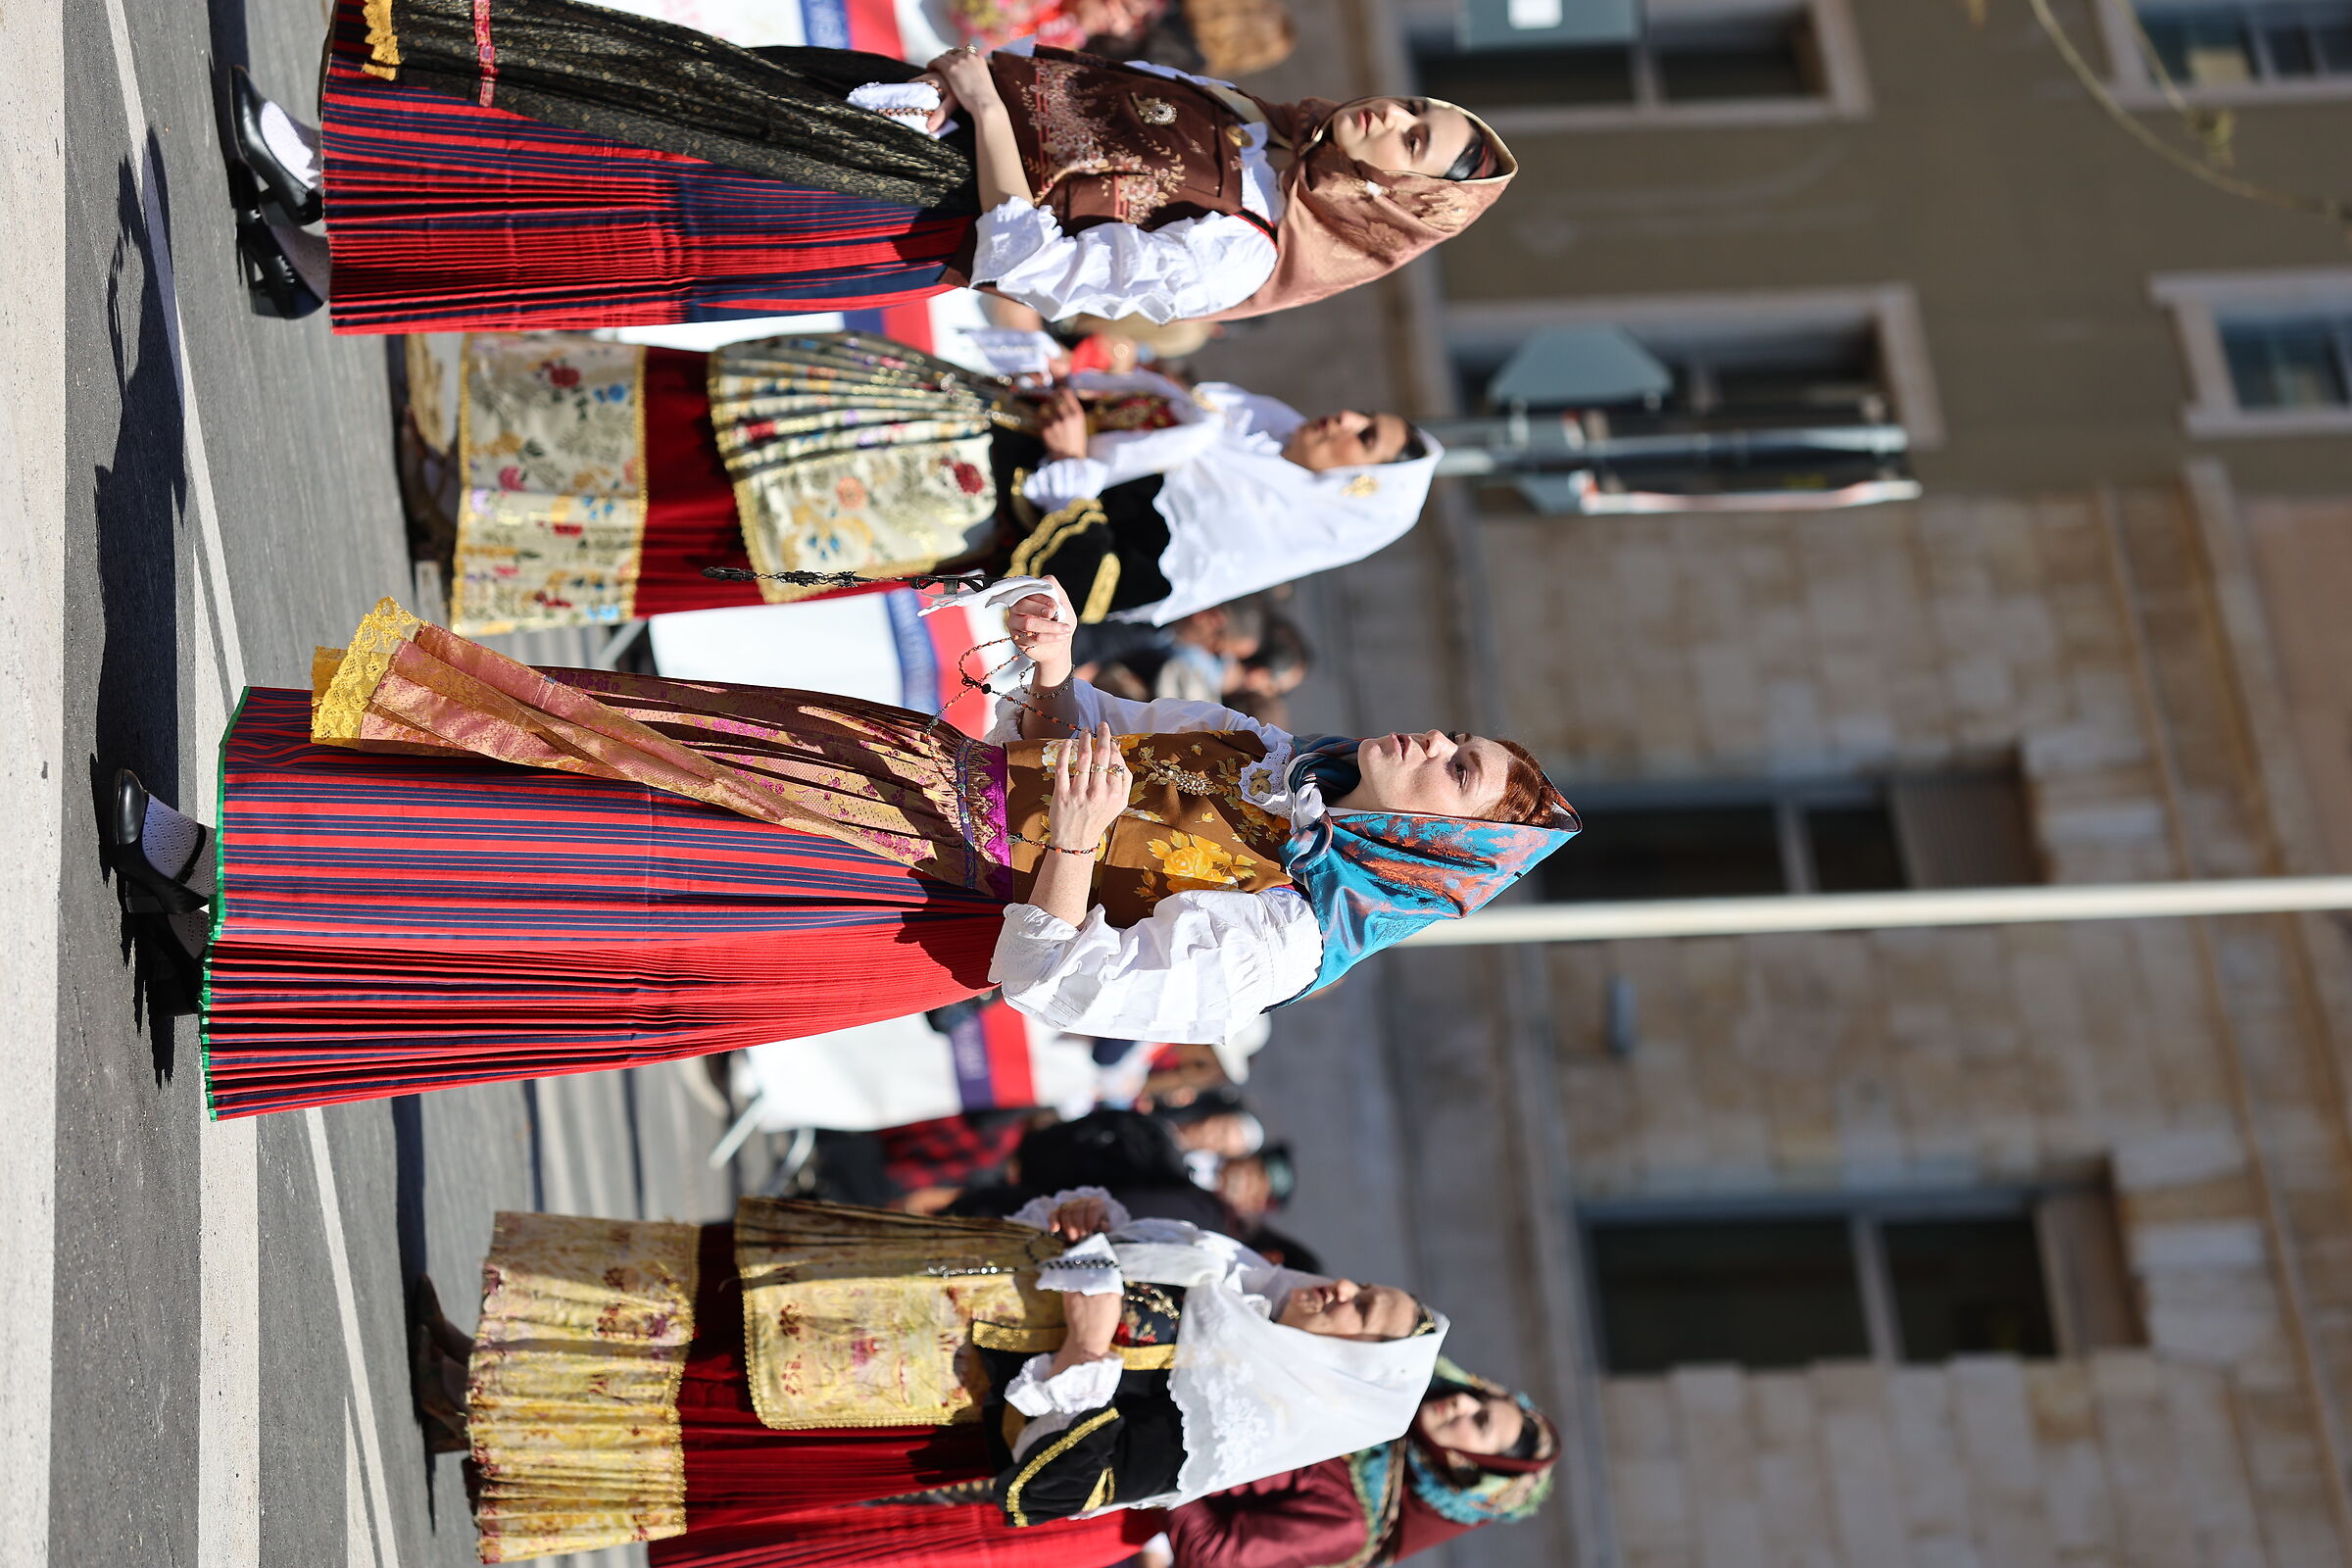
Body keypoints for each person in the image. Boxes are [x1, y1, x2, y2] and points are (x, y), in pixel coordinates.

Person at [145, 575, 1574, 1117]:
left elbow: (1075, 992)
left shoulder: (1293, 933)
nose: (1437, 739)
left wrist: (1069, 849)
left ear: (1439, 850)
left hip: (887, 894)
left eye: (1459, 768)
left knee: (579, 874)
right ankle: (262, 838)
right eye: (1459, 734)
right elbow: (1096, 731)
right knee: (577, 756)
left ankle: (243, 901)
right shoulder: (1275, 752)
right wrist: (1060, 668)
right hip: (892, 772)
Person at [222, 0, 1514, 329]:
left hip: (891, 197)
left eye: (1416, 140)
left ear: (1404, 202)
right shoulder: (1250, 118)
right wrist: (987, 76)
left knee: (621, 194)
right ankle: (340, 169)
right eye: (1413, 102)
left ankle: (330, 254)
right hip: (899, 110)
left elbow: (1043, 273)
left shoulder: (1240, 245)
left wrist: (987, 114)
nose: (1390, 115)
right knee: (635, 91)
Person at [403, 1191, 1446, 1562]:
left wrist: (1086, 1349)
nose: (1343, 1290)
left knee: (703, 1384)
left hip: (910, 1383)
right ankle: (489, 1361)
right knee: (706, 1285)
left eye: (1362, 1316)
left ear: (1334, 1371)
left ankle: (478, 1416)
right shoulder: (1232, 1272)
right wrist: (1088, 1231)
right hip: (914, 1280)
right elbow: (1101, 1248)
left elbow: (1051, 1490)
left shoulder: (1222, 1425)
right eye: (1366, 1286)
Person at [404, 329, 1441, 638]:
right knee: (742, 396)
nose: (1340, 421)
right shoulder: (1238, 418)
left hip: (938, 504)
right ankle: (492, 448)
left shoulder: (1224, 546)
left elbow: (1085, 581)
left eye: (1364, 437)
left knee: (734, 498)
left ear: (1353, 495)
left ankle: (495, 523)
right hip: (943, 419)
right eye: (1360, 413)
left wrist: (1071, 464)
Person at [1162, 1360, 1558, 1567]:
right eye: (1479, 1399)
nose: (1464, 1403)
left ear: (1471, 1473)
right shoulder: (1375, 1396)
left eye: (1481, 1422)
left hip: (1126, 1492)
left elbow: (1211, 1554)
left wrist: (1170, 1453)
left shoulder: (1353, 1521)